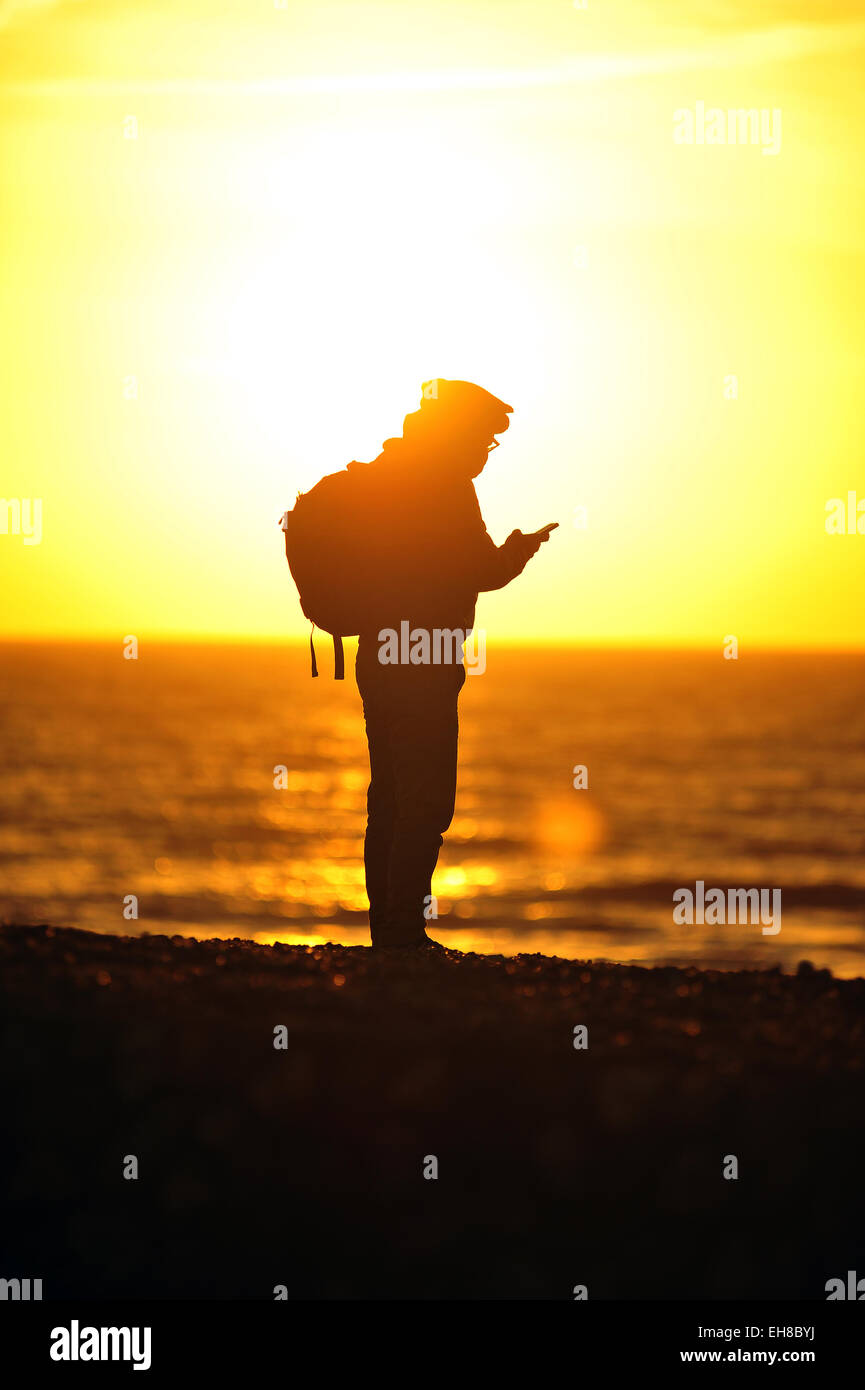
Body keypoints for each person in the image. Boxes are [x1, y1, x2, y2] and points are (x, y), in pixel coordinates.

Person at [356, 379, 555, 952]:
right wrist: (523, 546)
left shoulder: (391, 473)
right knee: (426, 797)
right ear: (460, 433)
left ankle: (387, 932)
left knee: (389, 795)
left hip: (381, 655)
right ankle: (404, 933)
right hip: (424, 660)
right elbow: (480, 572)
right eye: (485, 440)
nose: (485, 454)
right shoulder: (443, 486)